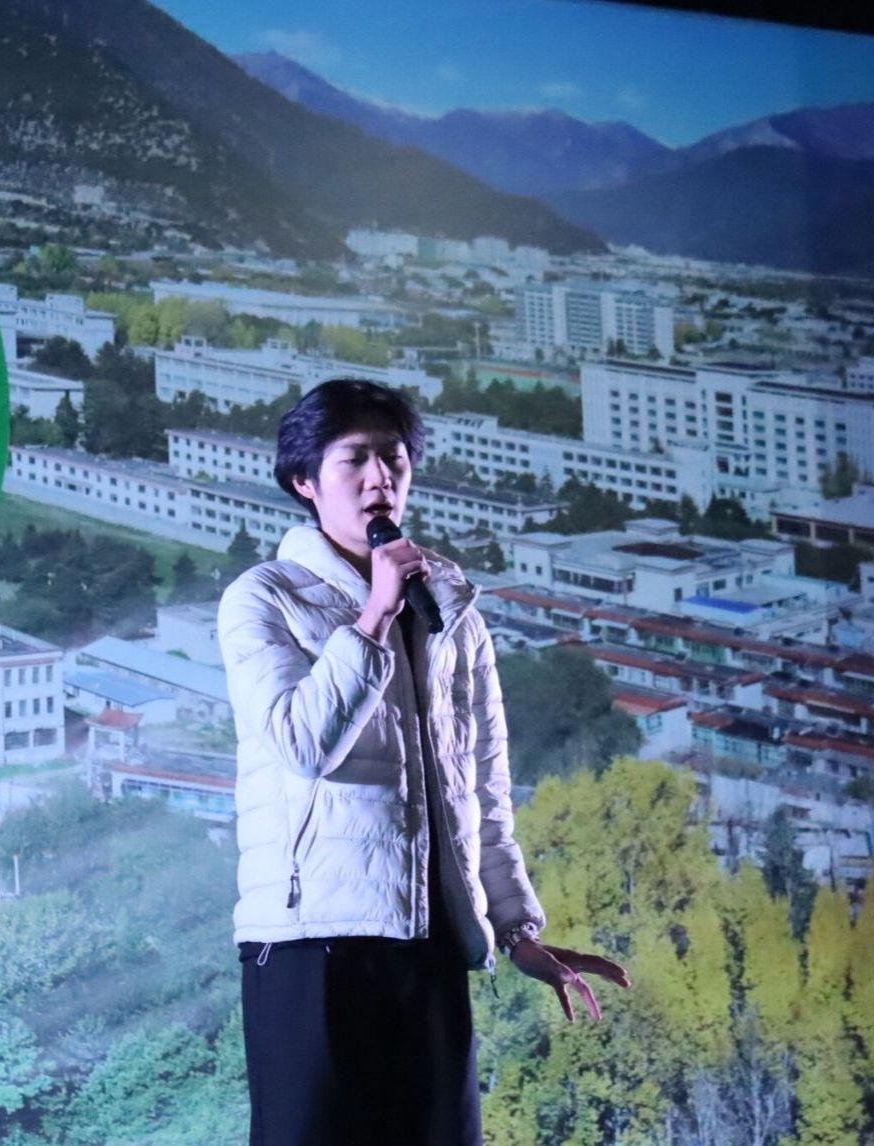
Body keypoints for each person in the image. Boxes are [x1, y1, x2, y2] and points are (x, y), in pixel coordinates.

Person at [218, 378, 629, 1145]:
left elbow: (481, 787)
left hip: (431, 945)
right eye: (355, 460)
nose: (381, 477)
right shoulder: (265, 597)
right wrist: (374, 614)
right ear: (304, 481)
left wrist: (516, 928)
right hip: (311, 943)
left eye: (395, 458)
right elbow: (303, 744)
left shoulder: (451, 608)